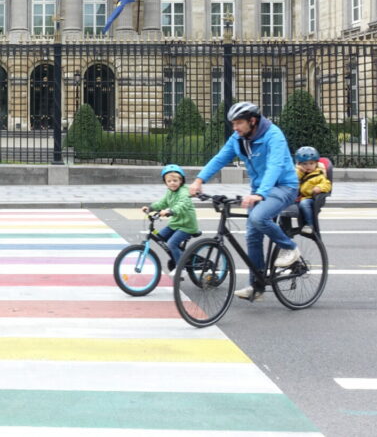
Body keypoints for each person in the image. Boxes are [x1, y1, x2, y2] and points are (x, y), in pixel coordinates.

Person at [187, 102, 301, 302]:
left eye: (238, 123)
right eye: (233, 124)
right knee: (252, 237)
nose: (235, 128)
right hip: (260, 190)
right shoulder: (238, 139)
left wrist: (261, 193)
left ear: (252, 121)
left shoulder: (274, 135)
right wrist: (199, 180)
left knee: (258, 217)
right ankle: (256, 286)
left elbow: (275, 165)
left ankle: (290, 248)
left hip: (284, 187)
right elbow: (220, 158)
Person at [141, 164, 199, 272]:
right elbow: (162, 203)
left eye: (175, 180)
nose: (172, 183)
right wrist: (150, 208)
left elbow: (181, 205)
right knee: (160, 238)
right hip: (175, 224)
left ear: (181, 181)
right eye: (169, 181)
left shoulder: (184, 192)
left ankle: (180, 268)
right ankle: (179, 255)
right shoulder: (169, 192)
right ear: (166, 183)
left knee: (172, 243)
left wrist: (170, 211)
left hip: (187, 225)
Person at [294, 145, 331, 235]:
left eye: (311, 163)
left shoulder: (318, 174)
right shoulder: (299, 173)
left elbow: (327, 184)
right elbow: (292, 180)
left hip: (311, 198)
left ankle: (309, 225)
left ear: (316, 164)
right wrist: (299, 171)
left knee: (304, 203)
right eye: (304, 164)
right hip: (298, 197)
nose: (308, 166)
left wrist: (319, 188)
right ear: (299, 164)